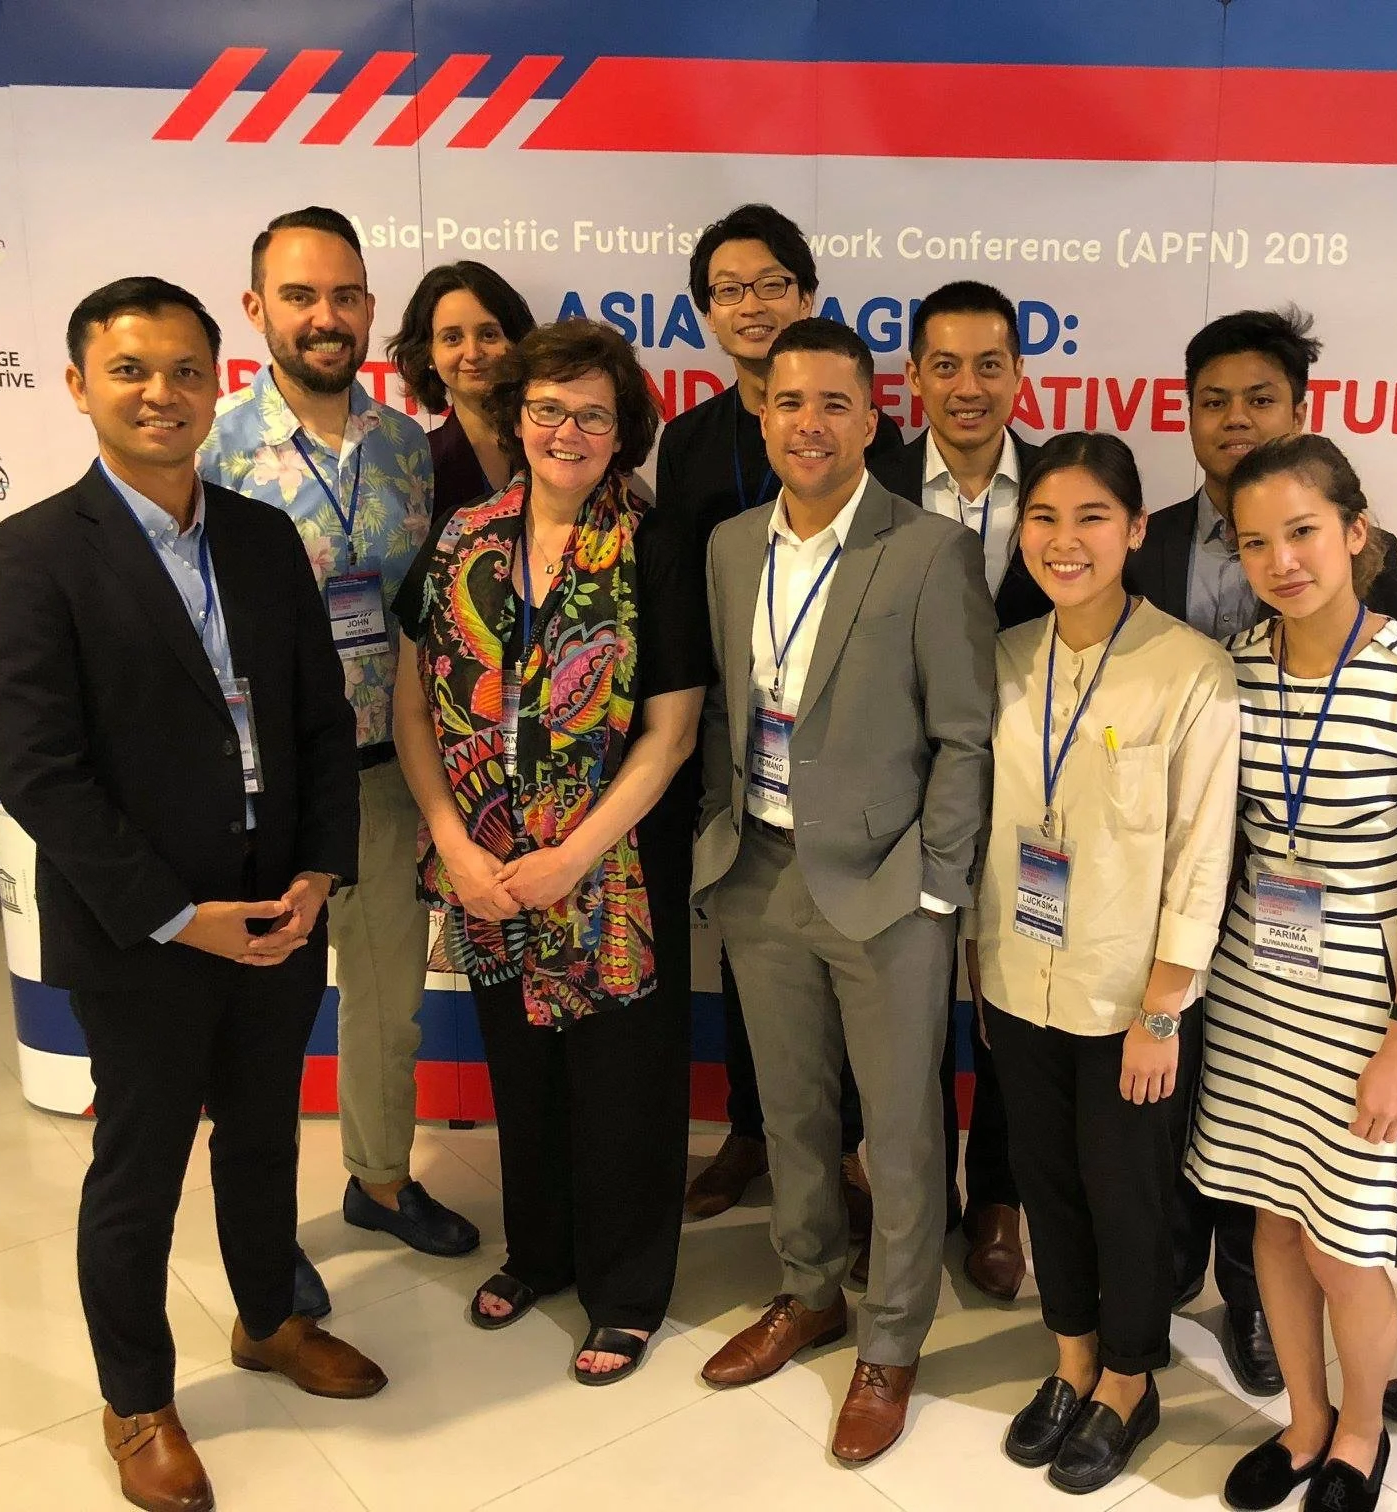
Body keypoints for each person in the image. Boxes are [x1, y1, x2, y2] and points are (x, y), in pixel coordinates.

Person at [0, 278, 385, 1512]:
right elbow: (38, 769)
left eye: (186, 370)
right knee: (138, 1168)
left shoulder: (258, 538)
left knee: (262, 1137)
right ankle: (137, 1397)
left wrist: (317, 870)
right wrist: (173, 912)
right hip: (143, 930)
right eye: (132, 370)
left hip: (276, 910)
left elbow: (318, 716)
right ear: (79, 384)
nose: (162, 393)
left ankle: (266, 1320)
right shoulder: (32, 553)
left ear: (218, 382)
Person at [691, 318, 995, 1463]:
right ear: (759, 414)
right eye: (786, 401)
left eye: (831, 402)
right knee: (792, 1112)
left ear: (874, 419)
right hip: (760, 872)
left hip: (885, 890)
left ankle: (894, 1338)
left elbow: (965, 736)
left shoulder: (924, 551)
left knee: (906, 1131)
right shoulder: (729, 547)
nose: (806, 423)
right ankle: (810, 1288)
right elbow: (731, 704)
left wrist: (934, 892)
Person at [391, 319, 710, 1384]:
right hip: (483, 864)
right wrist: (449, 835)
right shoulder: (462, 537)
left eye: (591, 414)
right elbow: (411, 702)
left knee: (623, 1087)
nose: (566, 431)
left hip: (610, 869)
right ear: (516, 417)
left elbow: (671, 731)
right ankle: (541, 1252)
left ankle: (625, 1292)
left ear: (623, 432)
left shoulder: (654, 546)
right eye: (547, 409)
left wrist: (576, 853)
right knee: (521, 1074)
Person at [1188, 433, 1397, 1512]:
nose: (1283, 561)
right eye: (1256, 542)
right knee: (1271, 1217)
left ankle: (1361, 1436)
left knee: (1346, 1246)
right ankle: (1305, 1423)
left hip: (1372, 1003)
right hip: (1259, 996)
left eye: (1304, 533)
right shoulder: (1238, 668)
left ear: (1356, 534)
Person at [200, 207, 477, 1317]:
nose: (327, 317)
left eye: (346, 296)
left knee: (387, 998)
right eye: (302, 297)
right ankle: (263, 1236)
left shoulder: (406, 447)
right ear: (257, 308)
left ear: (369, 308)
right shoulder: (214, 451)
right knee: (261, 1018)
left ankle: (378, 1179)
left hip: (380, 767)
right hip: (259, 783)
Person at [972, 432, 1239, 1494]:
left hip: (1133, 995)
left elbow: (1201, 851)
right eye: (1044, 518)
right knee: (1045, 1181)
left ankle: (1131, 1378)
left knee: (1127, 1191)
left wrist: (1166, 1009)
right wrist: (984, 972)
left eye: (1092, 519)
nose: (1065, 540)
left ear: (1136, 530)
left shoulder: (1190, 669)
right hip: (1018, 978)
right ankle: (1072, 1357)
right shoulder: (1006, 659)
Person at [659, 204, 901, 1226]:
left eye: (769, 285)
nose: (749, 305)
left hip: (850, 759)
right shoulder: (690, 442)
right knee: (750, 951)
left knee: (845, 960)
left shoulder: (871, 437)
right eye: (727, 290)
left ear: (807, 295)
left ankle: (843, 1151)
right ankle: (753, 1133)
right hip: (730, 747)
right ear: (707, 313)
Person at [866, 278, 1049, 1302]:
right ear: (914, 377)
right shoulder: (871, 481)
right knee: (904, 1004)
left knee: (1012, 1005)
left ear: (1020, 374)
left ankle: (999, 1202)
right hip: (899, 794)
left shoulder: (1070, 483)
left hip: (1034, 792)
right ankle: (914, 1196)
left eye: (990, 364)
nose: (968, 387)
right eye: (946, 365)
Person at [1129, 307, 1397, 641]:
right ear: (1190, 417)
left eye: (1260, 401)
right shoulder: (1135, 546)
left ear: (1297, 416)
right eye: (1214, 403)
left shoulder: (1363, 551)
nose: (1236, 418)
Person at [386, 259, 537, 516]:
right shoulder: (418, 463)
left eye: (489, 334)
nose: (473, 353)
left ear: (515, 341)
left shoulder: (554, 443)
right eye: (452, 338)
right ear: (429, 355)